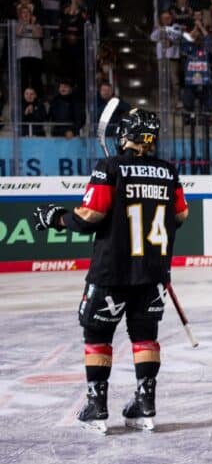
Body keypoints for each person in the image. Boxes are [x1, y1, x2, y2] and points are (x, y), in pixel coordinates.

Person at [31, 109, 187, 433]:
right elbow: (181, 215)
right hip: (153, 274)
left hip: (111, 272)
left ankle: (97, 407)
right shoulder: (169, 172)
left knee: (97, 334)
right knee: (145, 337)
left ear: (127, 134)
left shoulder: (110, 167)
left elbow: (89, 215)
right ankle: (145, 405)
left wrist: (57, 218)